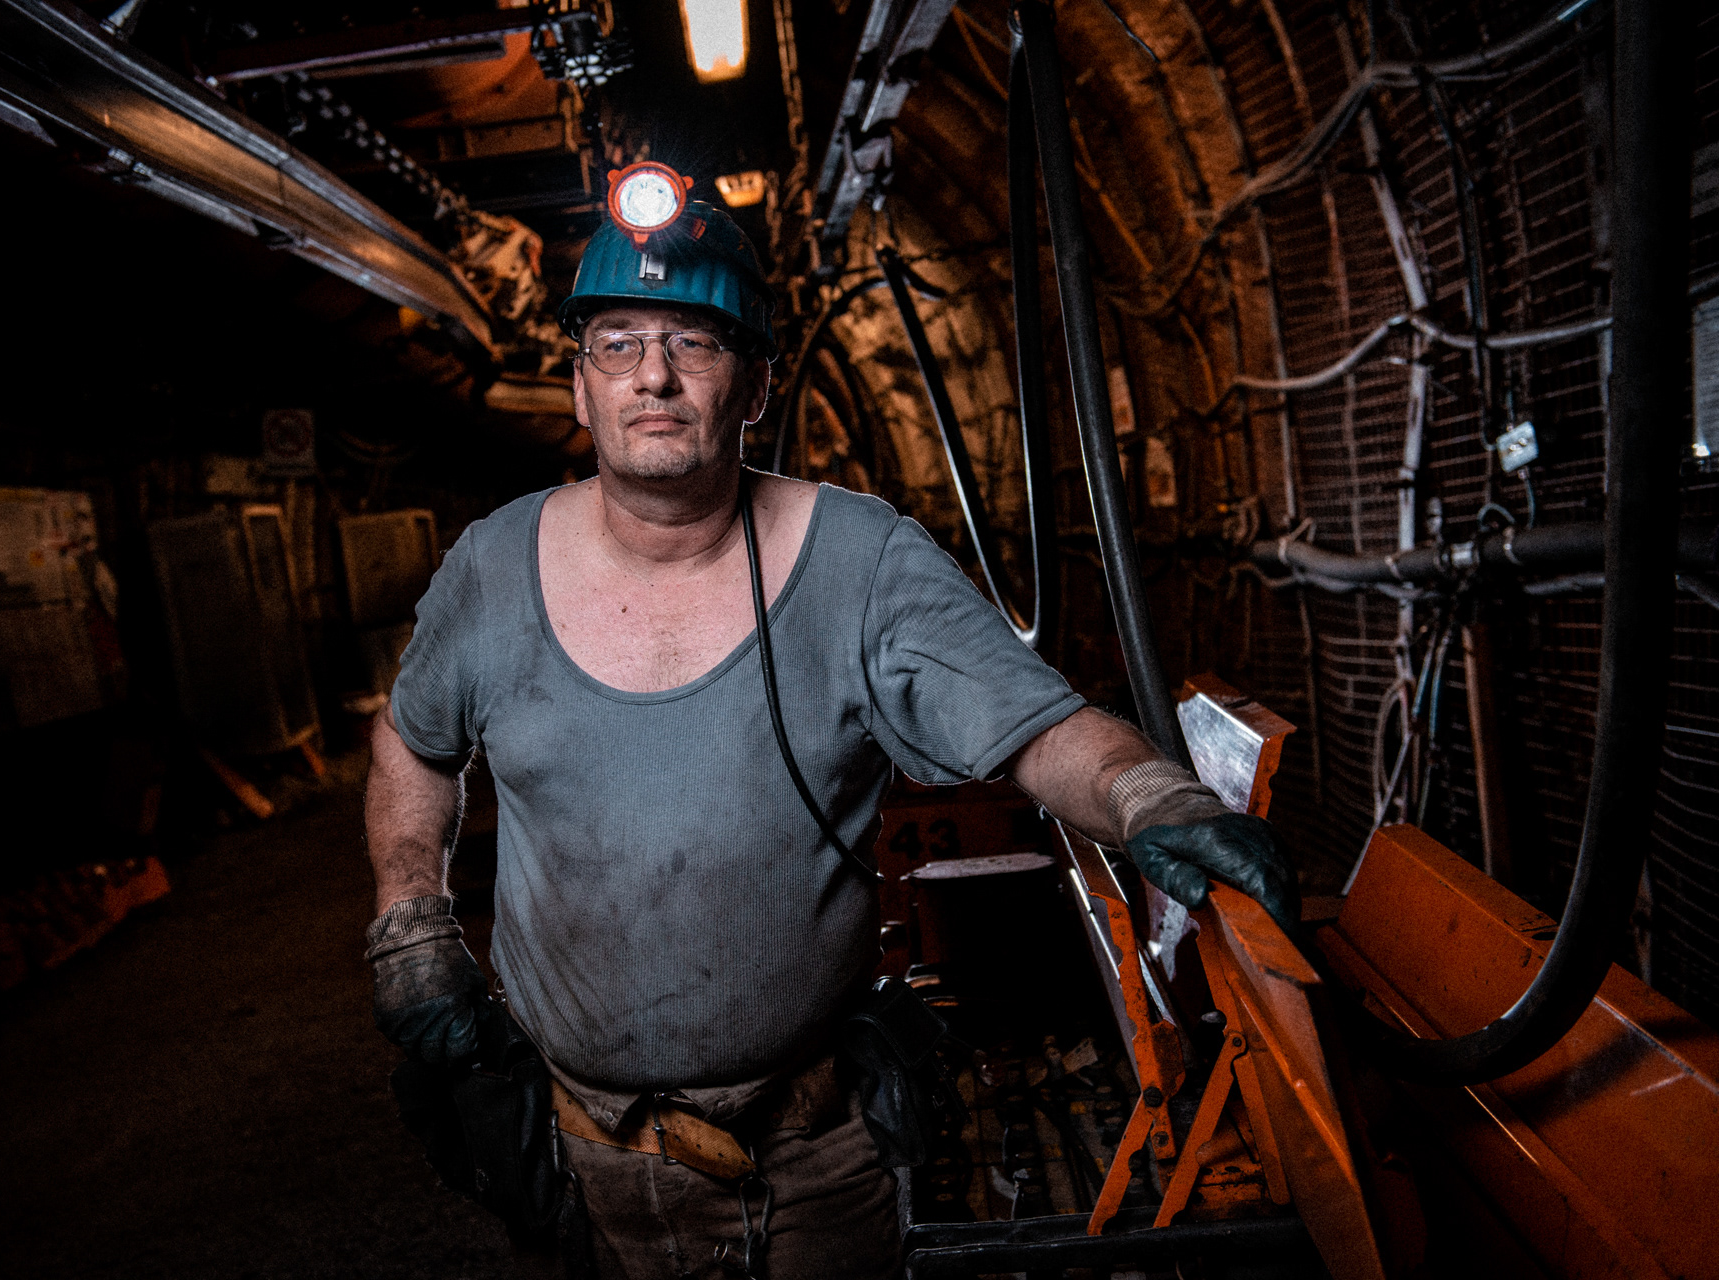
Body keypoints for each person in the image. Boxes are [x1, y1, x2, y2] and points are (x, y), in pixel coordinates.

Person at [361, 165, 1296, 1280]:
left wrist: (1152, 798)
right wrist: (410, 921)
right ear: (578, 385)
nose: (653, 374)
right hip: (584, 1159)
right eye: (618, 343)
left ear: (755, 386)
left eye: (695, 342)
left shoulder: (858, 558)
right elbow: (412, 742)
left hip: (814, 1156)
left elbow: (1037, 726)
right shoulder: (491, 568)